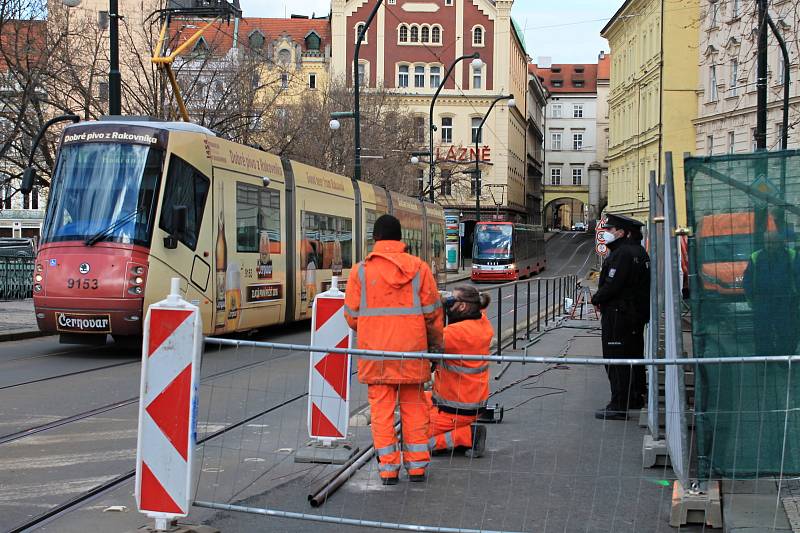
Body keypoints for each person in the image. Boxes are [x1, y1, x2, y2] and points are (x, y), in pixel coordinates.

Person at [344, 214, 444, 485]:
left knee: (381, 413)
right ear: (400, 239)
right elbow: (433, 315)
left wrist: (372, 328)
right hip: (412, 353)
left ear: (375, 238)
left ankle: (388, 470)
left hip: (376, 355)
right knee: (414, 409)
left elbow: (352, 316)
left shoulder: (360, 272)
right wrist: (435, 347)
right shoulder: (420, 269)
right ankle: (417, 467)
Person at [591, 213, 650, 420]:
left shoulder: (622, 253)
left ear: (622, 232)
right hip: (634, 314)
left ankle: (618, 404)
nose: (606, 233)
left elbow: (613, 284)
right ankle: (634, 396)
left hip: (619, 314)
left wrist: (596, 298)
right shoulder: (639, 251)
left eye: (610, 230)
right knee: (633, 356)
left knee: (616, 359)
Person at [426, 286, 493, 458]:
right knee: (415, 400)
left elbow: (430, 339)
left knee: (414, 442)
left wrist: (437, 310)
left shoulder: (457, 333)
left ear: (462, 307)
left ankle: (468, 435)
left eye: (451, 302)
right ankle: (462, 431)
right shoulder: (482, 323)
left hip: (454, 408)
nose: (447, 305)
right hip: (471, 402)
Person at [743, 230, 800, 356]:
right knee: (763, 333)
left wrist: (796, 300)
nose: (769, 245)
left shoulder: (792, 256)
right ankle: (765, 361)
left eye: (773, 242)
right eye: (767, 242)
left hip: (786, 301)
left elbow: (798, 277)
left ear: (780, 243)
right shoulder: (756, 257)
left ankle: (784, 359)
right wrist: (752, 300)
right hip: (762, 302)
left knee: (786, 332)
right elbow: (747, 280)